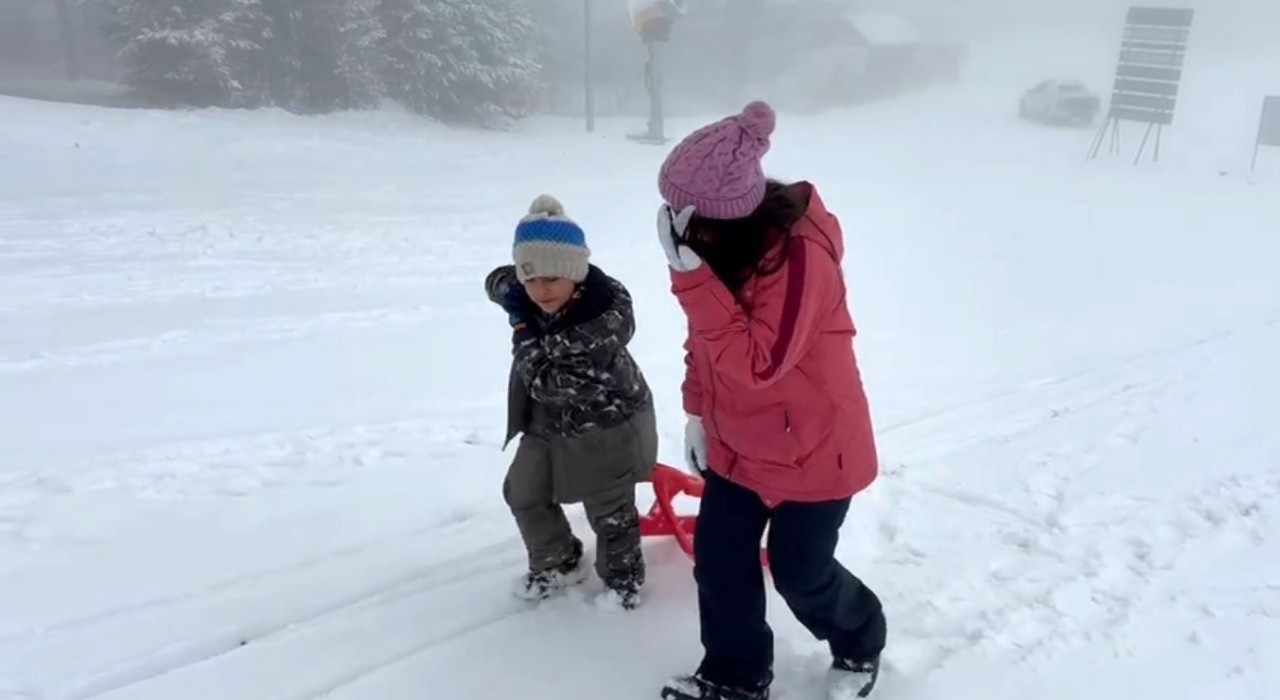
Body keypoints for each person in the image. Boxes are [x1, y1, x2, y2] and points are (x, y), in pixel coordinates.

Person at [652, 101, 887, 699]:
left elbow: (759, 361)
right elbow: (705, 343)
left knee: (800, 571)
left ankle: (860, 638)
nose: (677, 225)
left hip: (815, 448)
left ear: (724, 216)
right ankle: (735, 676)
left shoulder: (801, 258)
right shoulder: (720, 252)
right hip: (740, 443)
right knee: (721, 558)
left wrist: (692, 280)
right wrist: (697, 410)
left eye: (687, 215)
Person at [484, 193, 658, 610]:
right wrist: (509, 286)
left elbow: (547, 383)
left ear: (575, 276)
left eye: (550, 280)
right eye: (530, 280)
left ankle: (623, 585)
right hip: (548, 422)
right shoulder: (533, 287)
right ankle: (557, 561)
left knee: (608, 510)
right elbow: (499, 279)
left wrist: (523, 329)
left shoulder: (598, 325)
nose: (540, 291)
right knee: (523, 492)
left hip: (606, 427)